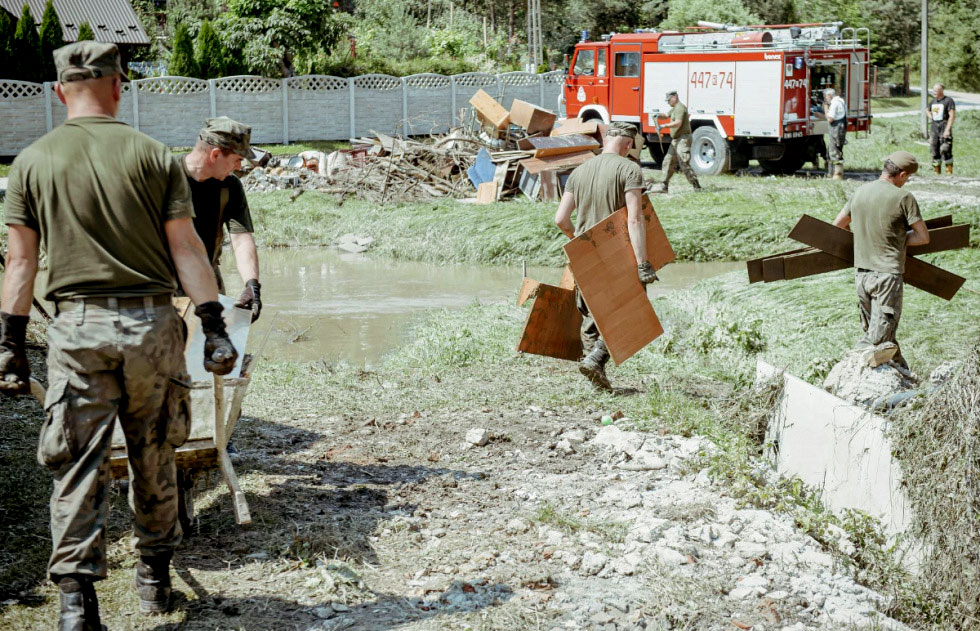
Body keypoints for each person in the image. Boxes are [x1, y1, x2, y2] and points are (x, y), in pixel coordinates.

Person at [0, 42, 238, 630]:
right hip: (152, 326)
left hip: (76, 328)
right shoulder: (155, 157)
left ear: (60, 93)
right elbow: (187, 249)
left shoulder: (30, 162)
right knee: (154, 453)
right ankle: (154, 579)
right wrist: (212, 326)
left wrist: (9, 344)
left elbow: (20, 264)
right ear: (118, 86)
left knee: (77, 463)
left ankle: (77, 605)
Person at [555, 122, 659, 390]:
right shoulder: (629, 169)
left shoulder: (579, 171)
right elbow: (635, 219)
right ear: (627, 144)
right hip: (617, 256)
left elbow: (561, 220)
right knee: (631, 313)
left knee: (591, 318)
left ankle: (597, 382)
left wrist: (579, 243)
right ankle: (597, 359)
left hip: (584, 256)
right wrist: (643, 263)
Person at [831, 151, 929, 369]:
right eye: (907, 178)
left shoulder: (860, 191)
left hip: (862, 276)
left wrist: (866, 239)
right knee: (876, 341)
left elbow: (838, 224)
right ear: (902, 174)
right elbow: (923, 237)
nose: (907, 182)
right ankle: (851, 374)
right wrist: (897, 239)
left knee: (880, 332)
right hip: (887, 277)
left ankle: (904, 376)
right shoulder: (904, 198)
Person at [179, 117, 262, 321]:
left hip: (208, 278)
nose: (239, 167)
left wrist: (252, 285)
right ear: (215, 155)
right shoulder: (162, 177)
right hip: (162, 283)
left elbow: (241, 239)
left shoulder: (230, 186)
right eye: (237, 160)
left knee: (216, 349)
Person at [654, 90, 701, 193]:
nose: (668, 102)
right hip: (676, 140)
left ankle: (695, 185)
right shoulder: (674, 109)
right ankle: (664, 186)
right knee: (668, 161)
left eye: (669, 100)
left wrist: (664, 126)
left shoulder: (680, 108)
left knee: (684, 163)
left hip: (683, 140)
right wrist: (658, 115)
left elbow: (678, 123)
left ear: (674, 97)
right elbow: (666, 115)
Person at [926, 83, 955, 175]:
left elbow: (952, 116)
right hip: (934, 127)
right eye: (933, 90)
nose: (934, 92)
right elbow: (927, 110)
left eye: (936, 90)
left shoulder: (948, 101)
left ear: (941, 91)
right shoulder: (933, 101)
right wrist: (931, 117)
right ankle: (936, 173)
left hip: (944, 125)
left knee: (945, 149)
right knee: (934, 150)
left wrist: (947, 130)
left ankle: (949, 172)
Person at [823, 88, 847, 180]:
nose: (825, 99)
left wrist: (825, 109)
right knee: (834, 151)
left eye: (825, 97)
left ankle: (837, 175)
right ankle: (832, 174)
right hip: (839, 129)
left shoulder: (835, 103)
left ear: (829, 95)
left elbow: (830, 119)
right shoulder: (841, 101)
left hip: (836, 130)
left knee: (835, 152)